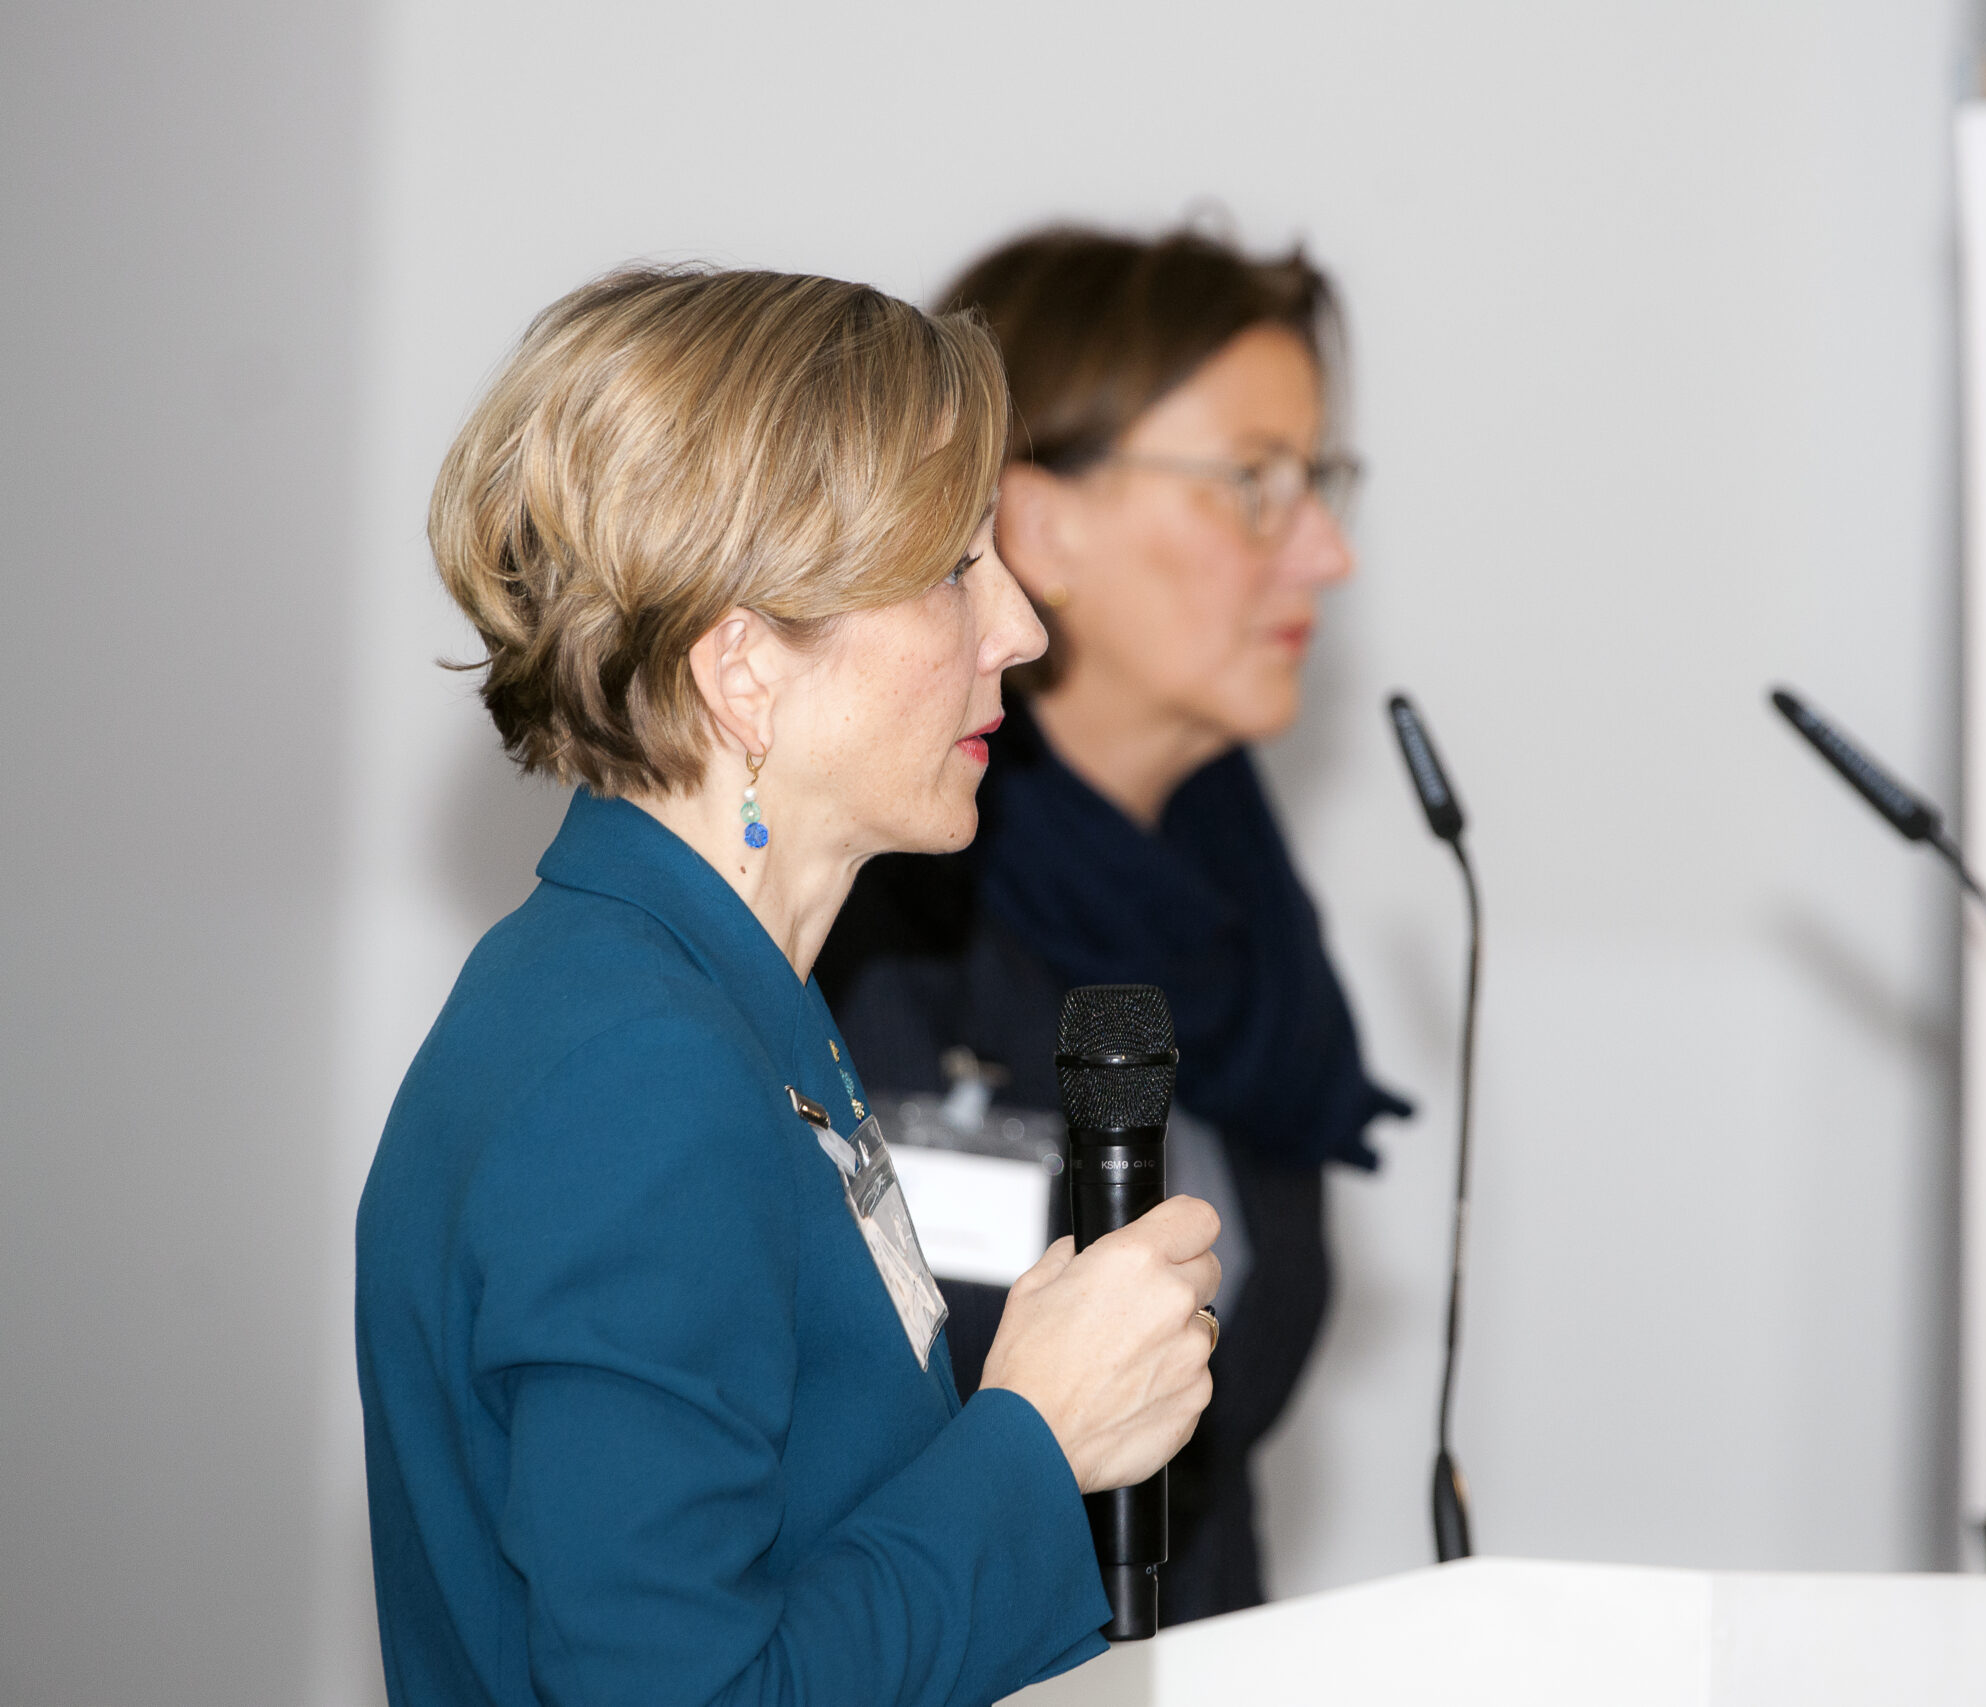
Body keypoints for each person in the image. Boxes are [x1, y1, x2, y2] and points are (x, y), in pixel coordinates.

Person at [355, 265, 1223, 1707]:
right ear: (744, 669)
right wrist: (1034, 1438)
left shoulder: (704, 1000)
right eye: (955, 568)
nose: (1022, 628)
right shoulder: (633, 1075)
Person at [815, 227, 1408, 1625]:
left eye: (1319, 484)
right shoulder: (860, 917)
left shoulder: (1243, 924)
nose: (1326, 551)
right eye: (1253, 483)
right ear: (1042, 525)